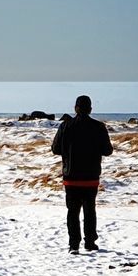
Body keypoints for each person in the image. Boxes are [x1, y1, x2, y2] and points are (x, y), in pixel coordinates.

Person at [50, 94, 113, 254]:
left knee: (72, 212)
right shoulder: (99, 127)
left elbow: (55, 149)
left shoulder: (65, 126)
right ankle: (90, 242)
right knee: (89, 210)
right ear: (90, 109)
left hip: (70, 177)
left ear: (75, 108)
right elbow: (108, 151)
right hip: (91, 177)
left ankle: (73, 245)